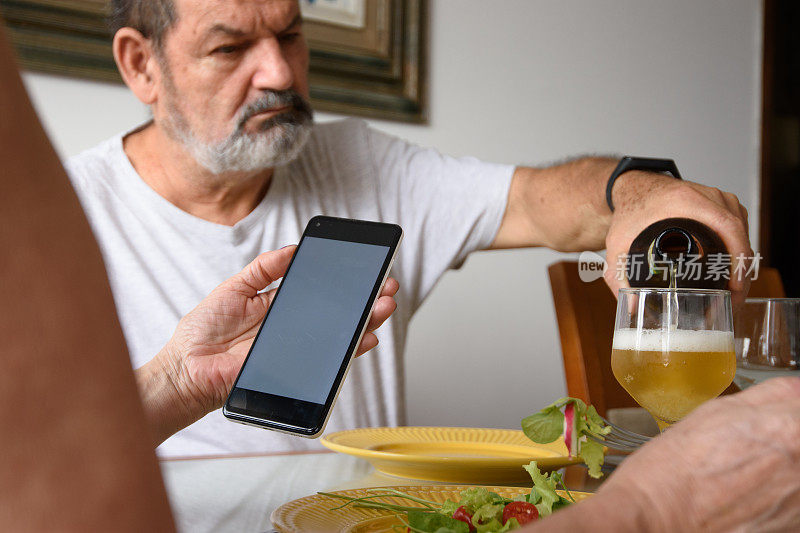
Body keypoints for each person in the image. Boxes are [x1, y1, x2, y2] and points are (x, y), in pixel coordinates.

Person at [66, 0, 754, 458]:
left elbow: (544, 201)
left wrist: (637, 190)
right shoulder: (59, 215)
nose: (278, 71)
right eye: (230, 48)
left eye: (291, 34)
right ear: (140, 64)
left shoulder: (362, 161)